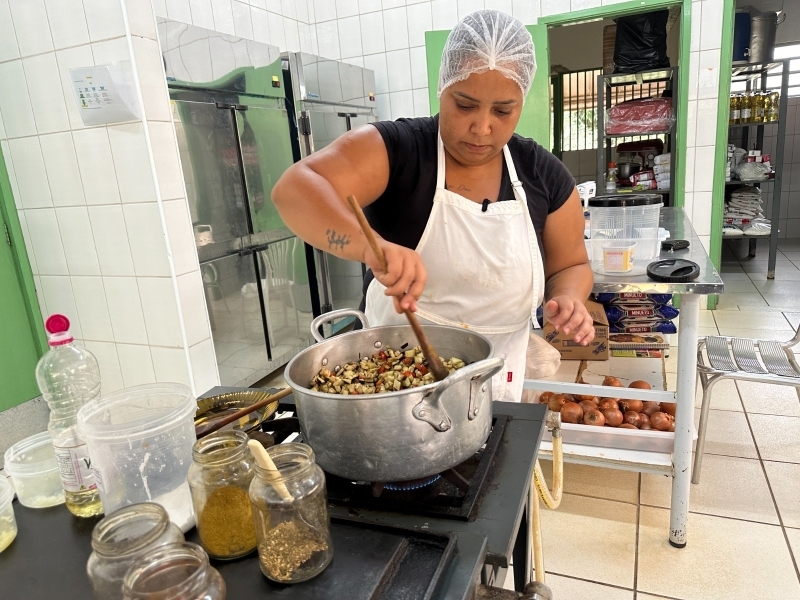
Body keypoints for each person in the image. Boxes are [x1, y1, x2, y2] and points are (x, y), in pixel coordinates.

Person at [273, 10, 594, 402]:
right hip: (393, 386)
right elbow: (294, 190)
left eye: (502, 111)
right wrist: (369, 245)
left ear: (521, 104)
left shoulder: (544, 174)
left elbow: (571, 265)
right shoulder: (400, 150)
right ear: (442, 88)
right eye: (464, 105)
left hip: (497, 384)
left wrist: (572, 299)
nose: (481, 127)